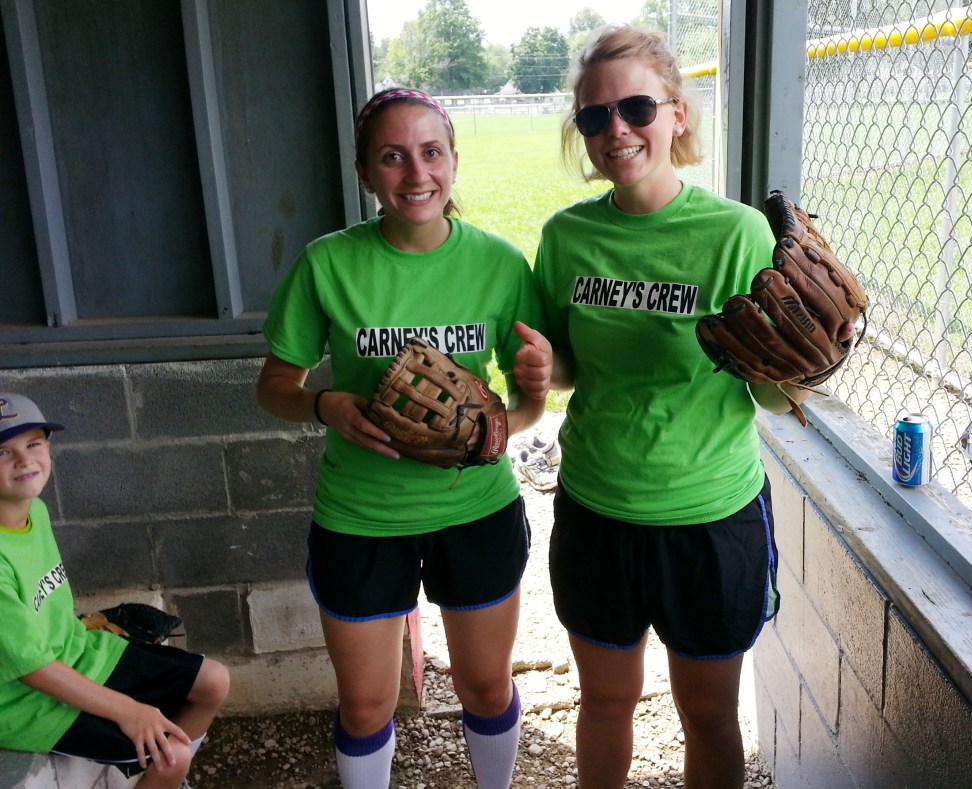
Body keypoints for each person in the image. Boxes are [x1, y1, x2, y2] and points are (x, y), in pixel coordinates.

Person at [511, 25, 858, 789]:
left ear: (677, 114)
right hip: (599, 507)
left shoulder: (735, 234)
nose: (617, 130)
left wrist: (808, 367)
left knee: (707, 716)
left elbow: (767, 387)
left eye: (636, 107)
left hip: (708, 515)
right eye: (595, 117)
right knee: (604, 702)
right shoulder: (567, 237)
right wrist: (544, 367)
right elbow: (570, 363)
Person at [256, 87, 547, 789]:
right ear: (365, 173)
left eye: (430, 152)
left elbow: (529, 407)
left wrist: (505, 420)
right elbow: (274, 386)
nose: (415, 174)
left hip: (474, 508)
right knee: (364, 701)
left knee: (484, 685)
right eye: (391, 157)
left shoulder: (501, 264)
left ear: (453, 160)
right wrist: (325, 405)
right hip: (361, 516)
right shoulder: (329, 262)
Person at [0, 392, 230, 789]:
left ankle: (160, 780)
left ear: (49, 447)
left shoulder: (33, 510)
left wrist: (86, 628)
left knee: (213, 681)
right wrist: (128, 710)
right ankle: (163, 774)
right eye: (3, 452)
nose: (24, 461)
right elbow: (31, 668)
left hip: (76, 654)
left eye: (33, 444)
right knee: (170, 754)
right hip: (25, 701)